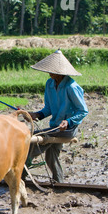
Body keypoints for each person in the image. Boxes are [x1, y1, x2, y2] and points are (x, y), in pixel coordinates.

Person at [27, 49, 89, 183]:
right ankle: (59, 182)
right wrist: (37, 114)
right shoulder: (49, 84)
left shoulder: (71, 87)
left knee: (32, 143)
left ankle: (20, 174)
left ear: (59, 72)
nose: (48, 72)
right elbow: (49, 108)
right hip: (55, 126)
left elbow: (83, 110)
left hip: (67, 129)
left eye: (51, 70)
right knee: (51, 155)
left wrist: (68, 122)